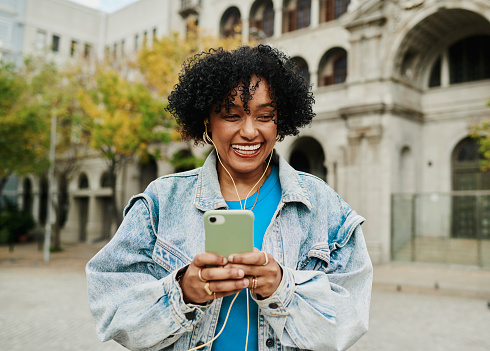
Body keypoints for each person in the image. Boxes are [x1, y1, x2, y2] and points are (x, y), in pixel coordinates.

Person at [86, 45, 373, 351]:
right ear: (206, 122)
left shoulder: (323, 205)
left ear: (281, 122)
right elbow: (111, 308)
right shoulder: (160, 201)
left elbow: (349, 319)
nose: (250, 131)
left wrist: (281, 287)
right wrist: (182, 292)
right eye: (231, 115)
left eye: (265, 116)